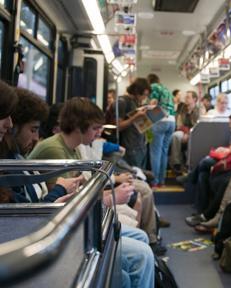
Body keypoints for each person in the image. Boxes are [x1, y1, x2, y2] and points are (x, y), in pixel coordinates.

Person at [27, 97, 155, 287]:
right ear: (79, 127)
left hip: (79, 220)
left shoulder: (75, 148)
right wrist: (110, 199)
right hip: (64, 229)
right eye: (95, 128)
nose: (99, 133)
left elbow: (83, 187)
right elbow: (63, 205)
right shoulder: (55, 150)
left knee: (141, 239)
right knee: (142, 255)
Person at [2, 88, 82, 203]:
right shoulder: (8, 168)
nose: (36, 138)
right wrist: (61, 189)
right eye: (33, 130)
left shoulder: (17, 159)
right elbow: (27, 216)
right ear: (14, 128)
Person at [148, 73, 176, 187]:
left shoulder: (153, 87)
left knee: (155, 152)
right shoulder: (166, 89)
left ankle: (154, 182)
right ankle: (162, 181)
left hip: (160, 119)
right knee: (164, 152)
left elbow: (152, 104)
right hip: (172, 121)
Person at [117, 78, 151, 170]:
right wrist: (135, 117)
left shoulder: (135, 103)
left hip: (140, 145)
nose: (145, 98)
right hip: (131, 147)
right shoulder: (123, 102)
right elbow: (118, 126)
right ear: (137, 91)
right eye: (144, 95)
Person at [170, 90, 200, 174]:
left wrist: (189, 133)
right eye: (185, 97)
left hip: (195, 132)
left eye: (188, 97)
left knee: (192, 138)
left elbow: (199, 125)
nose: (185, 99)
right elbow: (179, 124)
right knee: (175, 136)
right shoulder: (182, 109)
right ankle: (176, 163)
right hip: (183, 130)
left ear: (194, 99)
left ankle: (189, 164)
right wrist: (185, 132)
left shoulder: (199, 110)